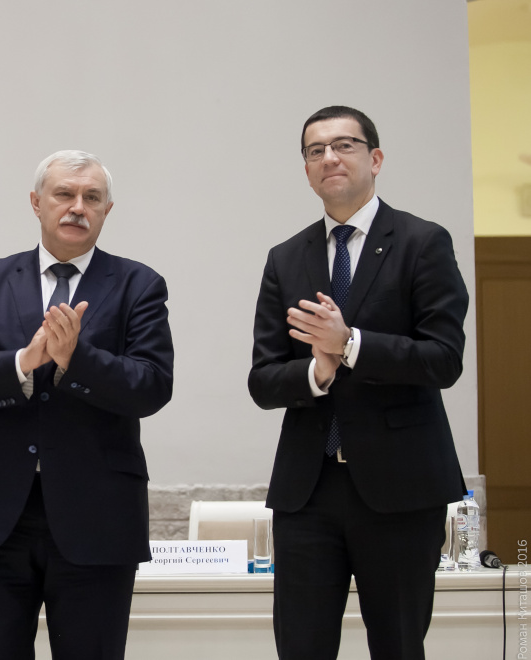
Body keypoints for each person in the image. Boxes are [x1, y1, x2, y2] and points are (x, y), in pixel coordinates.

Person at [0, 150, 174, 659]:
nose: (77, 207)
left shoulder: (139, 284)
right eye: (64, 194)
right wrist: (23, 361)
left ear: (107, 210)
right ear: (37, 202)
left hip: (99, 514)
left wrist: (74, 360)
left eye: (92, 197)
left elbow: (152, 386)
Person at [248, 106, 468, 660]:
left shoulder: (422, 242)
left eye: (344, 145)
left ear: (375, 159)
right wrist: (318, 371)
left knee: (398, 646)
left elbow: (444, 359)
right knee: (300, 647)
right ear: (306, 170)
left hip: (401, 488)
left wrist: (350, 345)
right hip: (308, 489)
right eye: (315, 150)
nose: (329, 158)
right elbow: (263, 380)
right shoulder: (285, 258)